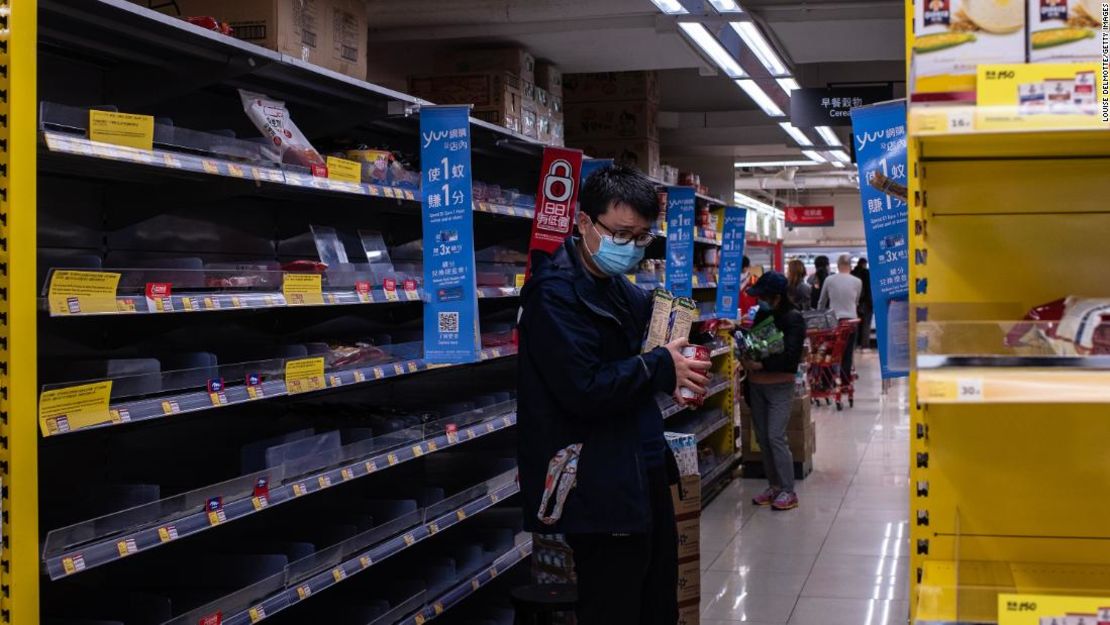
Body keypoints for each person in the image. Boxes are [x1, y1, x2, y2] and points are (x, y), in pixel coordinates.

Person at [516, 165, 712, 625]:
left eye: (642, 238)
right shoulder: (553, 294)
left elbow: (648, 354)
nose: (631, 248)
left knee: (656, 602)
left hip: (639, 466)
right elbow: (583, 389)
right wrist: (662, 366)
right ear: (584, 222)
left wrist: (680, 367)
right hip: (597, 478)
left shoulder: (618, 290)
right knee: (614, 605)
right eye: (621, 234)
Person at [739, 272, 806, 510]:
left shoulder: (794, 318)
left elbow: (790, 358)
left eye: (764, 297)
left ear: (776, 296)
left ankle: (789, 490)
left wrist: (762, 364)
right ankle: (774, 486)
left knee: (776, 436)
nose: (760, 301)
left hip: (779, 385)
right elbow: (754, 341)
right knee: (764, 439)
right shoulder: (764, 314)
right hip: (756, 386)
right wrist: (742, 341)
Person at [818, 254, 863, 384]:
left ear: (837, 266)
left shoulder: (829, 280)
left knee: (829, 351)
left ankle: (826, 382)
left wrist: (821, 318)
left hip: (833, 321)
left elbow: (822, 302)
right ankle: (845, 380)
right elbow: (856, 301)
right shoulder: (857, 281)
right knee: (847, 353)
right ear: (850, 266)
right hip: (851, 322)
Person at [851, 258, 873, 350]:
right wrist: (871, 303)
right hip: (866, 303)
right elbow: (869, 289)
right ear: (864, 264)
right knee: (866, 324)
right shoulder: (867, 273)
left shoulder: (852, 273)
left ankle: (854, 344)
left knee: (855, 325)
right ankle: (865, 345)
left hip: (854, 304)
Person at [738, 255, 759, 321]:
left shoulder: (755, 280)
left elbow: (760, 303)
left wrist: (751, 315)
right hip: (734, 320)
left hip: (750, 320)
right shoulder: (730, 280)